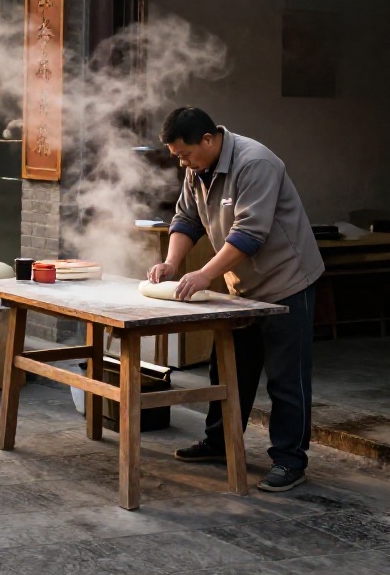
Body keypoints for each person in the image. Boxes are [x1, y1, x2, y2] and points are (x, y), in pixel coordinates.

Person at [146, 106, 322, 493]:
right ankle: (218, 442)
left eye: (185, 154)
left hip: (287, 280)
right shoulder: (197, 167)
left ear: (208, 139)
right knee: (228, 368)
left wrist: (205, 274)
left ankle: (290, 460)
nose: (183, 163)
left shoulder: (256, 162)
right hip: (243, 286)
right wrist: (172, 262)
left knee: (285, 377)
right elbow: (186, 219)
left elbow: (249, 233)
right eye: (178, 157)